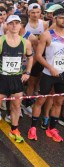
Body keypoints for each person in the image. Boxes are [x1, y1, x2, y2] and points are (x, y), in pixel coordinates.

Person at [0, 15, 33, 143]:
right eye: (11, 23)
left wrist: (27, 72)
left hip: (16, 78)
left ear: (21, 25)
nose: (15, 25)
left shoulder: (25, 42)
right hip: (1, 78)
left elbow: (30, 57)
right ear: (7, 25)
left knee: (16, 106)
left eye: (17, 23)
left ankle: (14, 129)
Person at [28, 8, 64, 142]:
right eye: (61, 17)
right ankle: (33, 128)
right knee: (41, 100)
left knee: (59, 101)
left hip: (62, 74)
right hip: (48, 73)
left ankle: (52, 128)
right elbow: (38, 55)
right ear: (54, 18)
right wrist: (50, 67)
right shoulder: (47, 35)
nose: (63, 20)